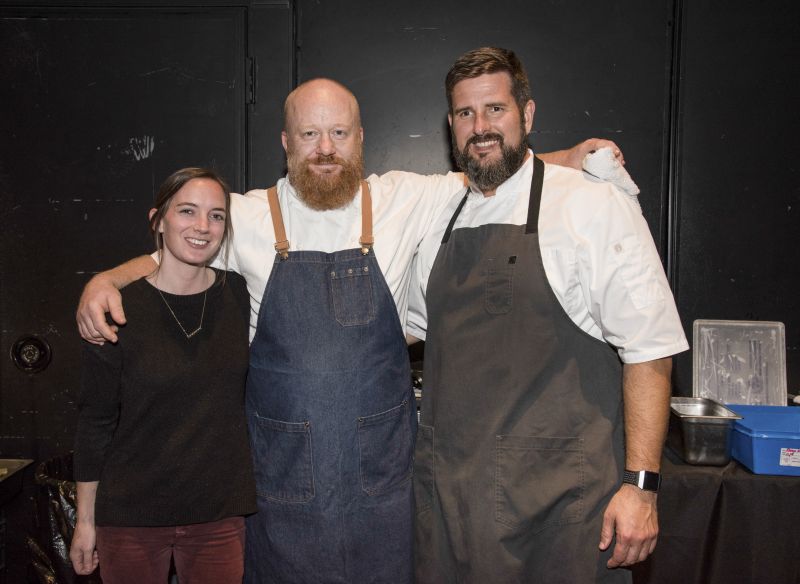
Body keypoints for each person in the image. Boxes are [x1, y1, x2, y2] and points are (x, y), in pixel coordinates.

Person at [75, 78, 623, 584]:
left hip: (381, 485)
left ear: (359, 138)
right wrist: (106, 279)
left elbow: (492, 175)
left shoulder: (402, 198)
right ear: (286, 142)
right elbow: (172, 249)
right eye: (310, 134)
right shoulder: (245, 215)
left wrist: (569, 158)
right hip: (282, 483)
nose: (325, 148)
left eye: (338, 132)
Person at [406, 47, 689, 583]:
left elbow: (651, 349)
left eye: (495, 109)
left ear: (527, 115)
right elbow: (411, 327)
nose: (480, 127)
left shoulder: (591, 204)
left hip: (561, 512)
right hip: (451, 508)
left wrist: (643, 486)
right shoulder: (440, 215)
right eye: (466, 114)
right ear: (450, 126)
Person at [69, 168, 256, 584]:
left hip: (218, 516)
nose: (203, 227)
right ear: (158, 220)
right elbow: (95, 421)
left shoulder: (239, 294)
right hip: (130, 517)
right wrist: (86, 521)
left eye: (216, 215)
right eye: (187, 211)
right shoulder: (115, 309)